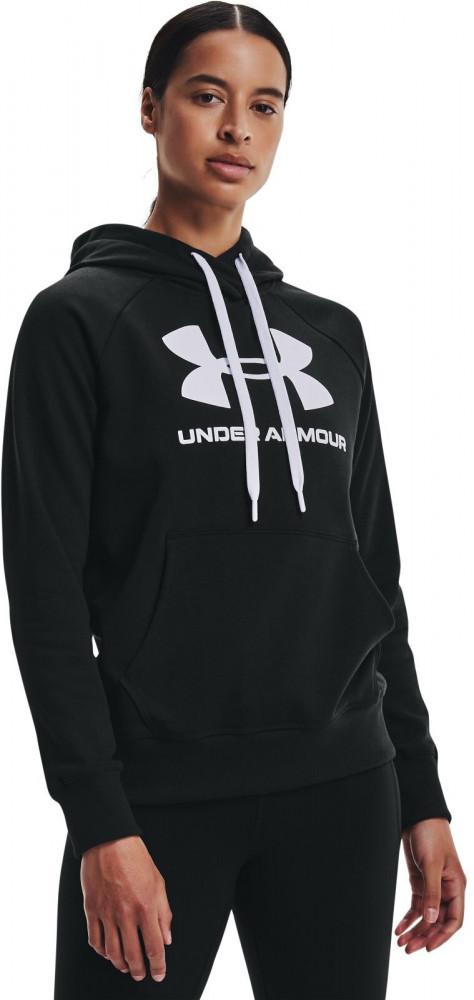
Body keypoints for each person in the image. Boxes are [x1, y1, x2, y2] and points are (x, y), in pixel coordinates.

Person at [1, 3, 466, 998]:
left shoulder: (331, 336)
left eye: (265, 105)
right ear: (150, 107)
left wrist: (422, 795)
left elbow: (373, 578)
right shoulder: (78, 321)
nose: (237, 129)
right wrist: (99, 819)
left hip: (343, 786)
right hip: (156, 798)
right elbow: (44, 593)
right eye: (208, 96)